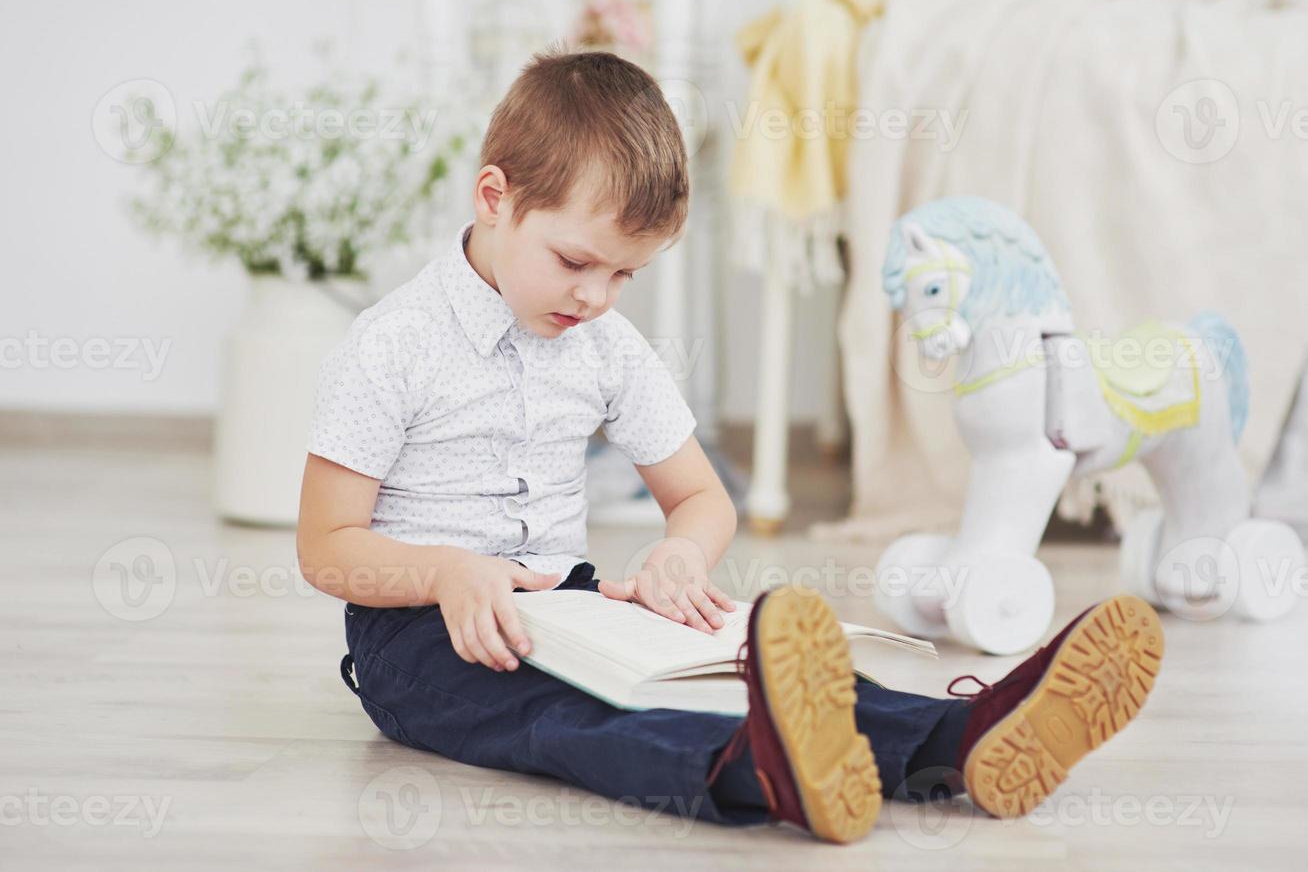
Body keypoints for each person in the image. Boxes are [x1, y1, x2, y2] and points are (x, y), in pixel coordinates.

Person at [297, 48, 1164, 843]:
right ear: (495, 199)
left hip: (568, 604)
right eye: (575, 262)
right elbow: (326, 548)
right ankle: (760, 769)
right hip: (418, 637)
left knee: (736, 665)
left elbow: (701, 498)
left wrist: (681, 553)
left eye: (625, 275)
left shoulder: (603, 344)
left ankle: (962, 738)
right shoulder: (391, 345)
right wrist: (450, 571)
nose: (597, 297)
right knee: (566, 719)